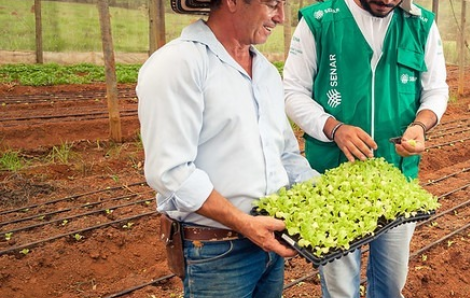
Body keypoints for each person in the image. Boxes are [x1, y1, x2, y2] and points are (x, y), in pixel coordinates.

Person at [136, 0, 319, 297]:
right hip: (217, 251)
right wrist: (245, 223)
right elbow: (171, 172)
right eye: (272, 3)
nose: (281, 17)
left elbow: (284, 154)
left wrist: (327, 195)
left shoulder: (267, 73)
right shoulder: (179, 65)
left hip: (270, 242)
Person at [281, 0, 448, 296]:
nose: (387, 1)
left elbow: (435, 89)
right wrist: (334, 128)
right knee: (339, 287)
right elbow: (293, 90)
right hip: (333, 178)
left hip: (395, 179)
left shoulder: (421, 24)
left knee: (391, 283)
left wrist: (420, 125)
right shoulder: (321, 20)